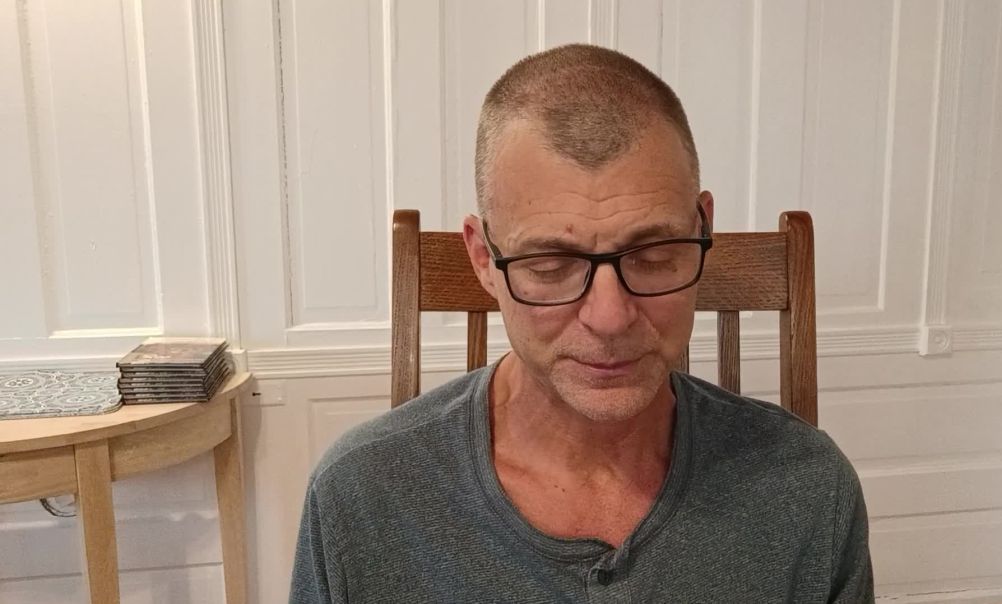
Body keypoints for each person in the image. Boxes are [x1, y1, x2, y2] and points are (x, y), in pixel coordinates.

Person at [290, 43, 873, 603]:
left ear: (703, 228)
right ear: (483, 259)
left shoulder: (809, 489)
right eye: (550, 266)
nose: (610, 317)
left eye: (654, 256)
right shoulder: (360, 500)